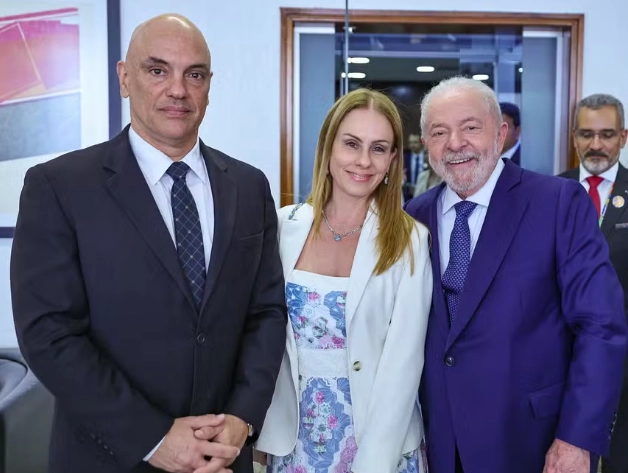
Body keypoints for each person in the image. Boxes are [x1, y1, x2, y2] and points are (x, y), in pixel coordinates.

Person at [10, 14, 287, 473]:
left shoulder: (248, 186)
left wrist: (242, 417)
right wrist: (153, 437)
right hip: (108, 457)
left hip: (220, 456)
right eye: (157, 70)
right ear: (124, 78)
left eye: (194, 75)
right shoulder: (59, 187)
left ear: (208, 86)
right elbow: (49, 333)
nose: (178, 90)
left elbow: (266, 312)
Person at [404, 76, 627, 473]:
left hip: (532, 443)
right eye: (439, 132)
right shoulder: (413, 217)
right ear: (425, 142)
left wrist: (577, 438)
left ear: (501, 133)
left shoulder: (557, 203)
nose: (455, 143)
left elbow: (600, 327)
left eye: (471, 127)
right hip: (438, 444)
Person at [253, 88, 433, 473]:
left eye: (379, 148)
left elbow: (404, 365)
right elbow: (260, 339)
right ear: (328, 148)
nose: (364, 161)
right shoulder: (283, 226)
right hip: (294, 443)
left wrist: (374, 463)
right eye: (352, 144)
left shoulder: (410, 240)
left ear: (393, 160)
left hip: (379, 444)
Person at [559, 93, 628, 473]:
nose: (596, 144)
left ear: (623, 137)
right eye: (586, 134)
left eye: (607, 134)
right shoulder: (550, 193)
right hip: (563, 361)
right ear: (574, 137)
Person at [499, 101, 521, 166]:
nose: (497, 132)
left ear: (517, 130)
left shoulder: (526, 161)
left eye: (504, 127)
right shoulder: (484, 160)